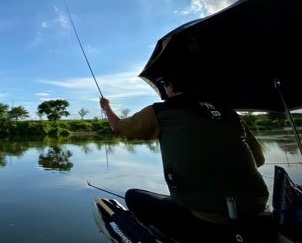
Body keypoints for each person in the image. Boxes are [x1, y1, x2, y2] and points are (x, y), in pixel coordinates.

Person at [99, 74, 270, 242]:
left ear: (171, 86)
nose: (164, 88)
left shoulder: (162, 111)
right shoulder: (229, 113)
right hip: (255, 209)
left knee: (133, 197)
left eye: (164, 83)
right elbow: (259, 160)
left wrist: (106, 106)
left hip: (205, 219)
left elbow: (118, 127)